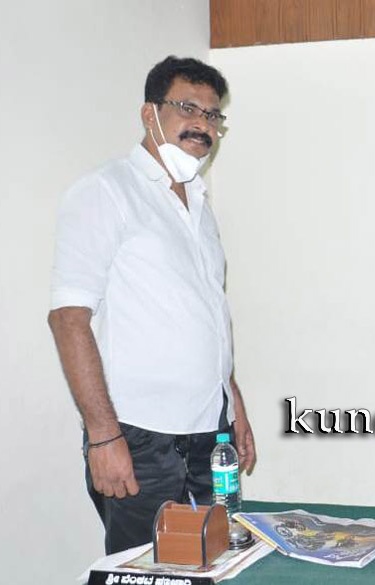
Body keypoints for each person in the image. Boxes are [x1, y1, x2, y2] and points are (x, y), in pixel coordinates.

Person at [48, 56, 256, 554]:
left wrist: (233, 403)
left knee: (216, 560)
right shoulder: (106, 191)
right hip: (139, 435)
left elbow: (207, 316)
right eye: (188, 108)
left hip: (210, 431)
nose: (203, 124)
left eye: (213, 115)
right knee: (143, 570)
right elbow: (68, 318)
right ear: (149, 114)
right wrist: (103, 436)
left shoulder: (200, 206)